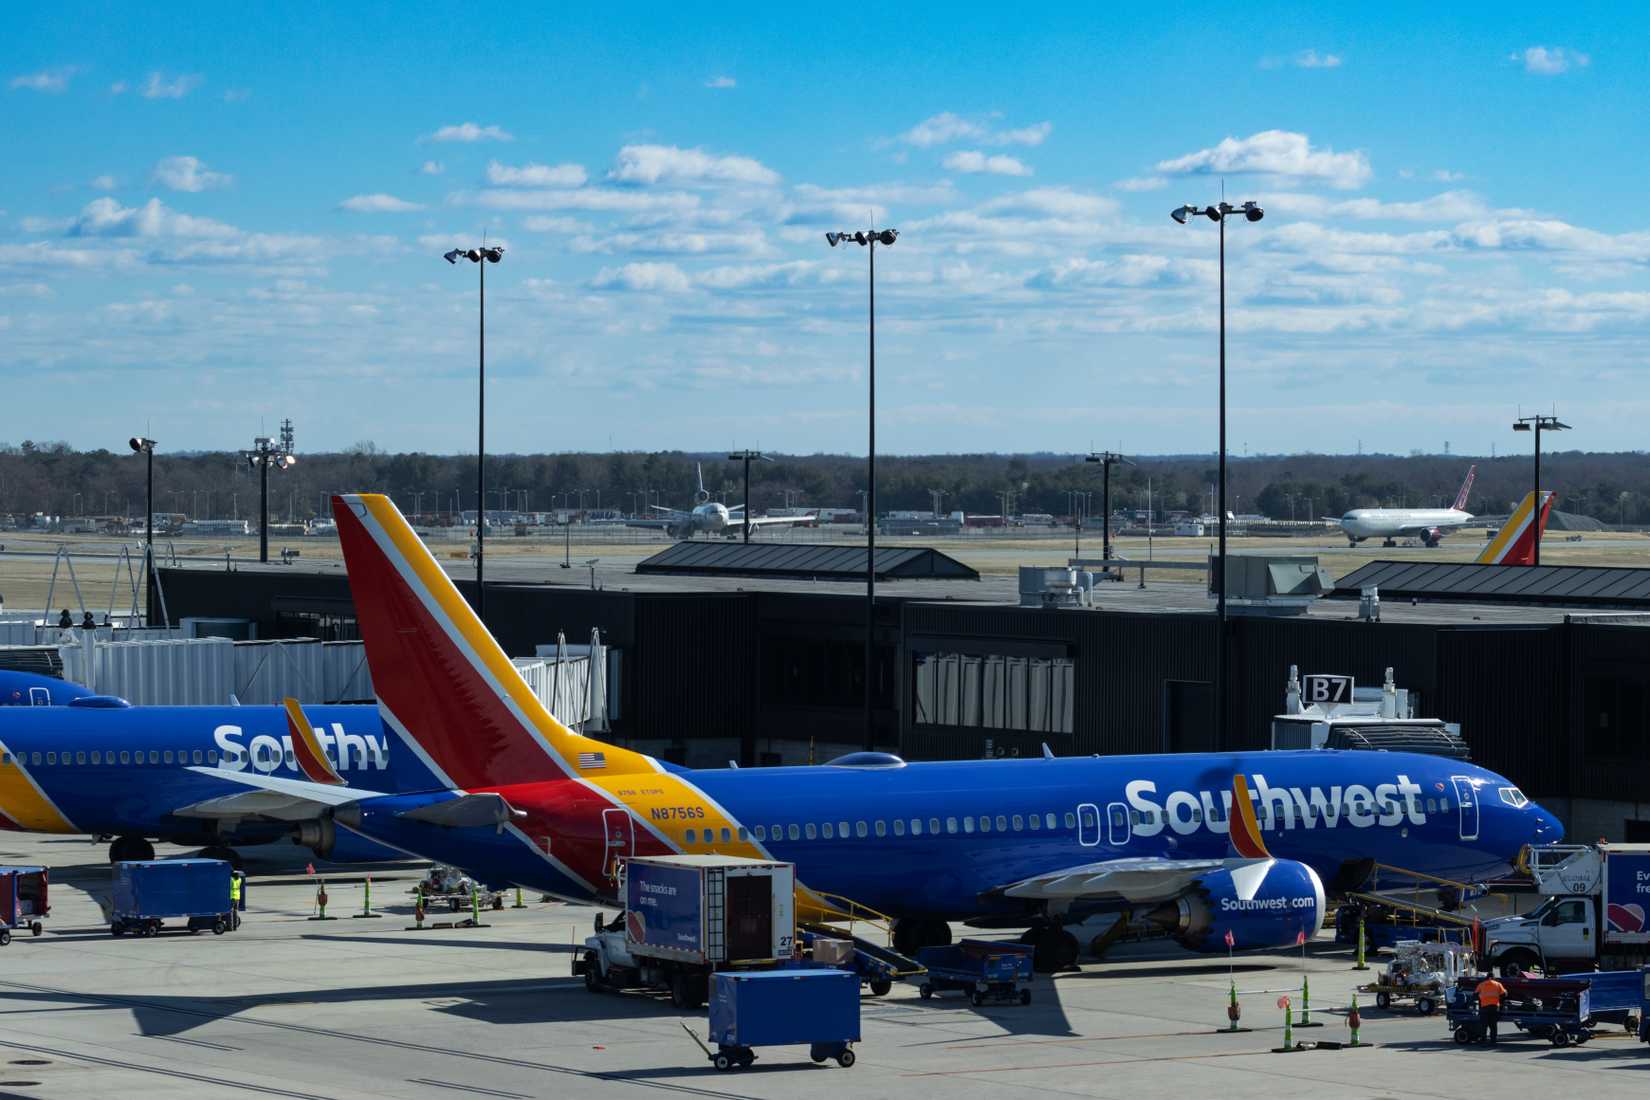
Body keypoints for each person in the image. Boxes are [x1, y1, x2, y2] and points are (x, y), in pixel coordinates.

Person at [1475, 973, 1508, 1044]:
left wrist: (1480, 999)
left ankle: (1483, 1040)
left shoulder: (1481, 984)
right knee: (1493, 1025)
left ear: (1486, 977)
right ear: (1493, 977)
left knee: (1484, 1025)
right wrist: (1500, 999)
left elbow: (1475, 995)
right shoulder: (1498, 984)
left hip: (1484, 1007)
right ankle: (1493, 1041)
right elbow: (1504, 994)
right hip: (1494, 1007)